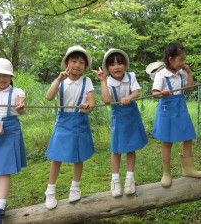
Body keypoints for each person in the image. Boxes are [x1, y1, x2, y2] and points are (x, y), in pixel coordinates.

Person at [44, 46, 95, 209]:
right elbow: (49, 97)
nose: (77, 65)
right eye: (74, 61)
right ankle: (50, 191)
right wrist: (58, 79)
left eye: (81, 62)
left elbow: (91, 105)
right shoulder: (60, 80)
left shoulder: (87, 81)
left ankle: (75, 187)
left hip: (80, 122)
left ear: (85, 66)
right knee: (56, 157)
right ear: (67, 62)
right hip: (63, 123)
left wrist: (86, 107)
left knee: (78, 156)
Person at [92, 49, 148, 197]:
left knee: (131, 147)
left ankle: (130, 178)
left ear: (125, 64)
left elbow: (136, 92)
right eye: (112, 64)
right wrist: (103, 81)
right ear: (107, 68)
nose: (117, 67)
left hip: (132, 115)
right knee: (116, 149)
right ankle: (115, 179)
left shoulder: (131, 76)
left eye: (120, 63)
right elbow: (106, 100)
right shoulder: (108, 82)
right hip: (118, 116)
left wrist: (129, 97)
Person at [151, 42, 201, 187]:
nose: (183, 63)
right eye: (180, 60)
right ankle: (166, 173)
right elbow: (155, 94)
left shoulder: (182, 73)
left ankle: (188, 168)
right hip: (167, 110)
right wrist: (162, 93)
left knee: (188, 137)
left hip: (181, 109)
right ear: (170, 59)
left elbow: (191, 88)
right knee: (167, 142)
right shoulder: (161, 75)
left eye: (184, 60)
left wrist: (189, 72)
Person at [0, 58, 26, 224]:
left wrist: (20, 108)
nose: (1, 79)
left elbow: (21, 108)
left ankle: (0, 208)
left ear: (11, 77)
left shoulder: (18, 92)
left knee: (3, 169)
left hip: (9, 131)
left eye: (5, 75)